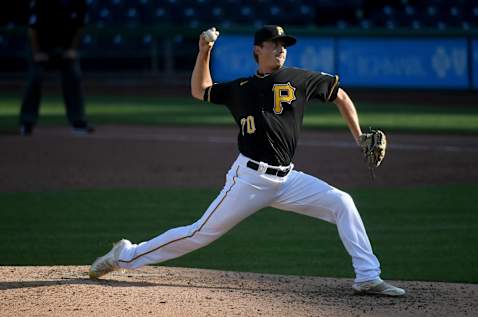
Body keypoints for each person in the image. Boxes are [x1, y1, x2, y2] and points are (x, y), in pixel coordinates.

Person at [89, 25, 405, 297]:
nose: (281, 49)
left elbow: (341, 96)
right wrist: (204, 51)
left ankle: (367, 277)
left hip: (288, 179)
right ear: (258, 50)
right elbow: (200, 91)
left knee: (342, 203)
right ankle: (125, 255)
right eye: (275, 44)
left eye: (285, 45)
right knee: (199, 233)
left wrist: (359, 135)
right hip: (249, 180)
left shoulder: (300, 78)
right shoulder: (241, 88)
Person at [19, 0, 93, 135]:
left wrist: (72, 49)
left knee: (74, 75)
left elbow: (80, 27)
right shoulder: (42, 3)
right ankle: (27, 122)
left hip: (64, 48)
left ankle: (77, 121)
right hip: (41, 47)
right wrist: (37, 53)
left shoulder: (78, 3)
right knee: (35, 77)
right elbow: (32, 29)